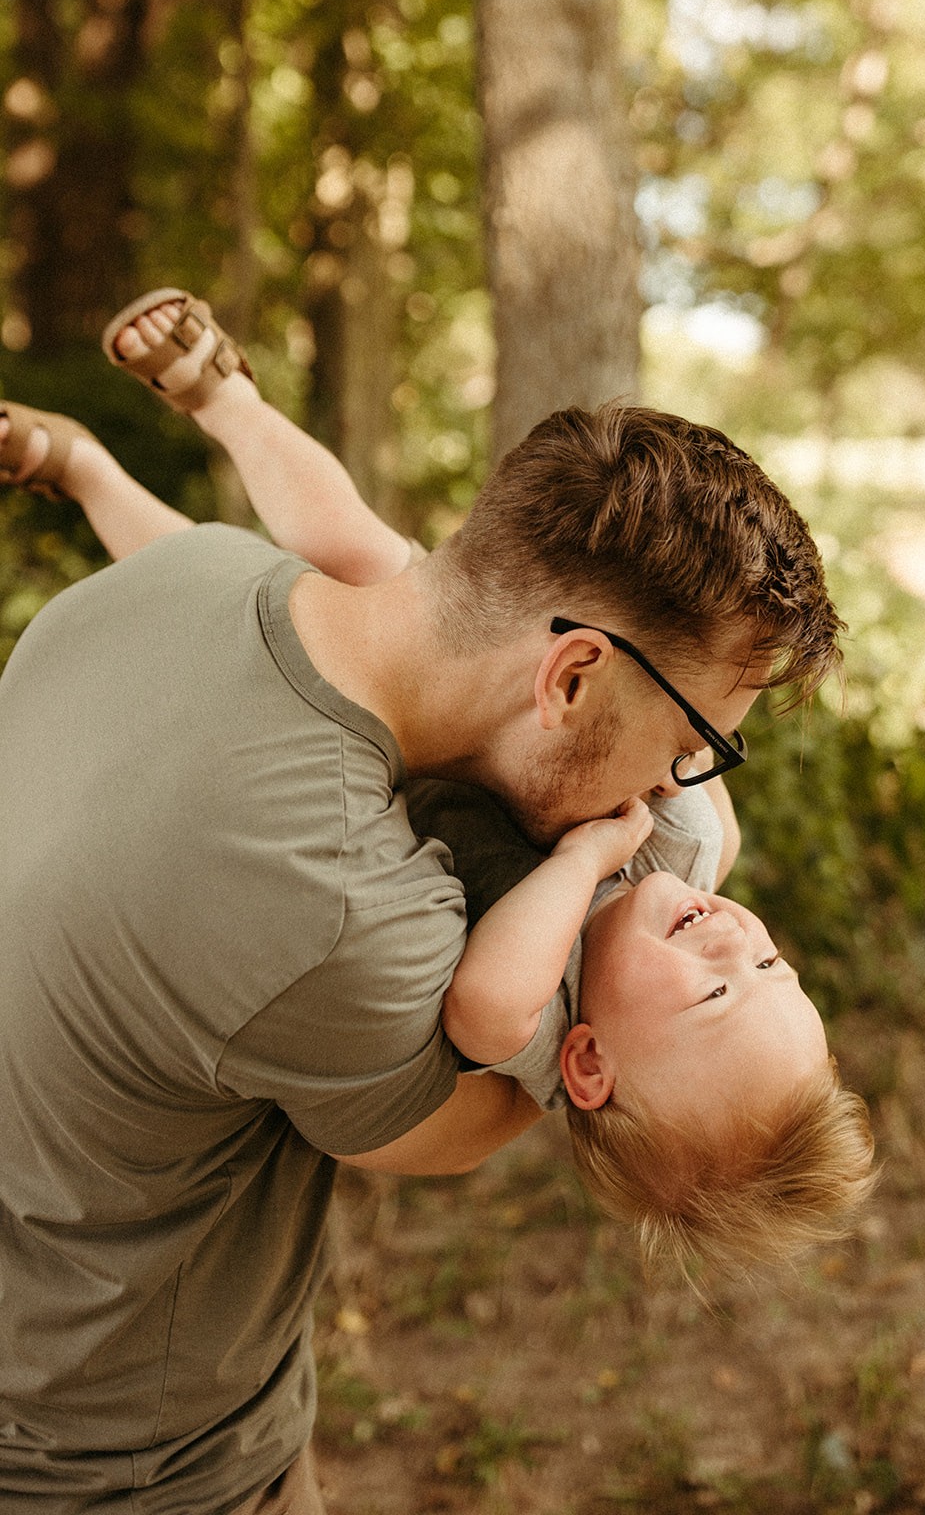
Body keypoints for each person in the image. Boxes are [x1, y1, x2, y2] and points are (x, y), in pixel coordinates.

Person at [0, 292, 871, 1514]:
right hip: (126, 1460)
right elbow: (428, 1118)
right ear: (570, 675)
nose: (676, 786)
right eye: (691, 743)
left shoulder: (187, 578)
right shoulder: (343, 916)